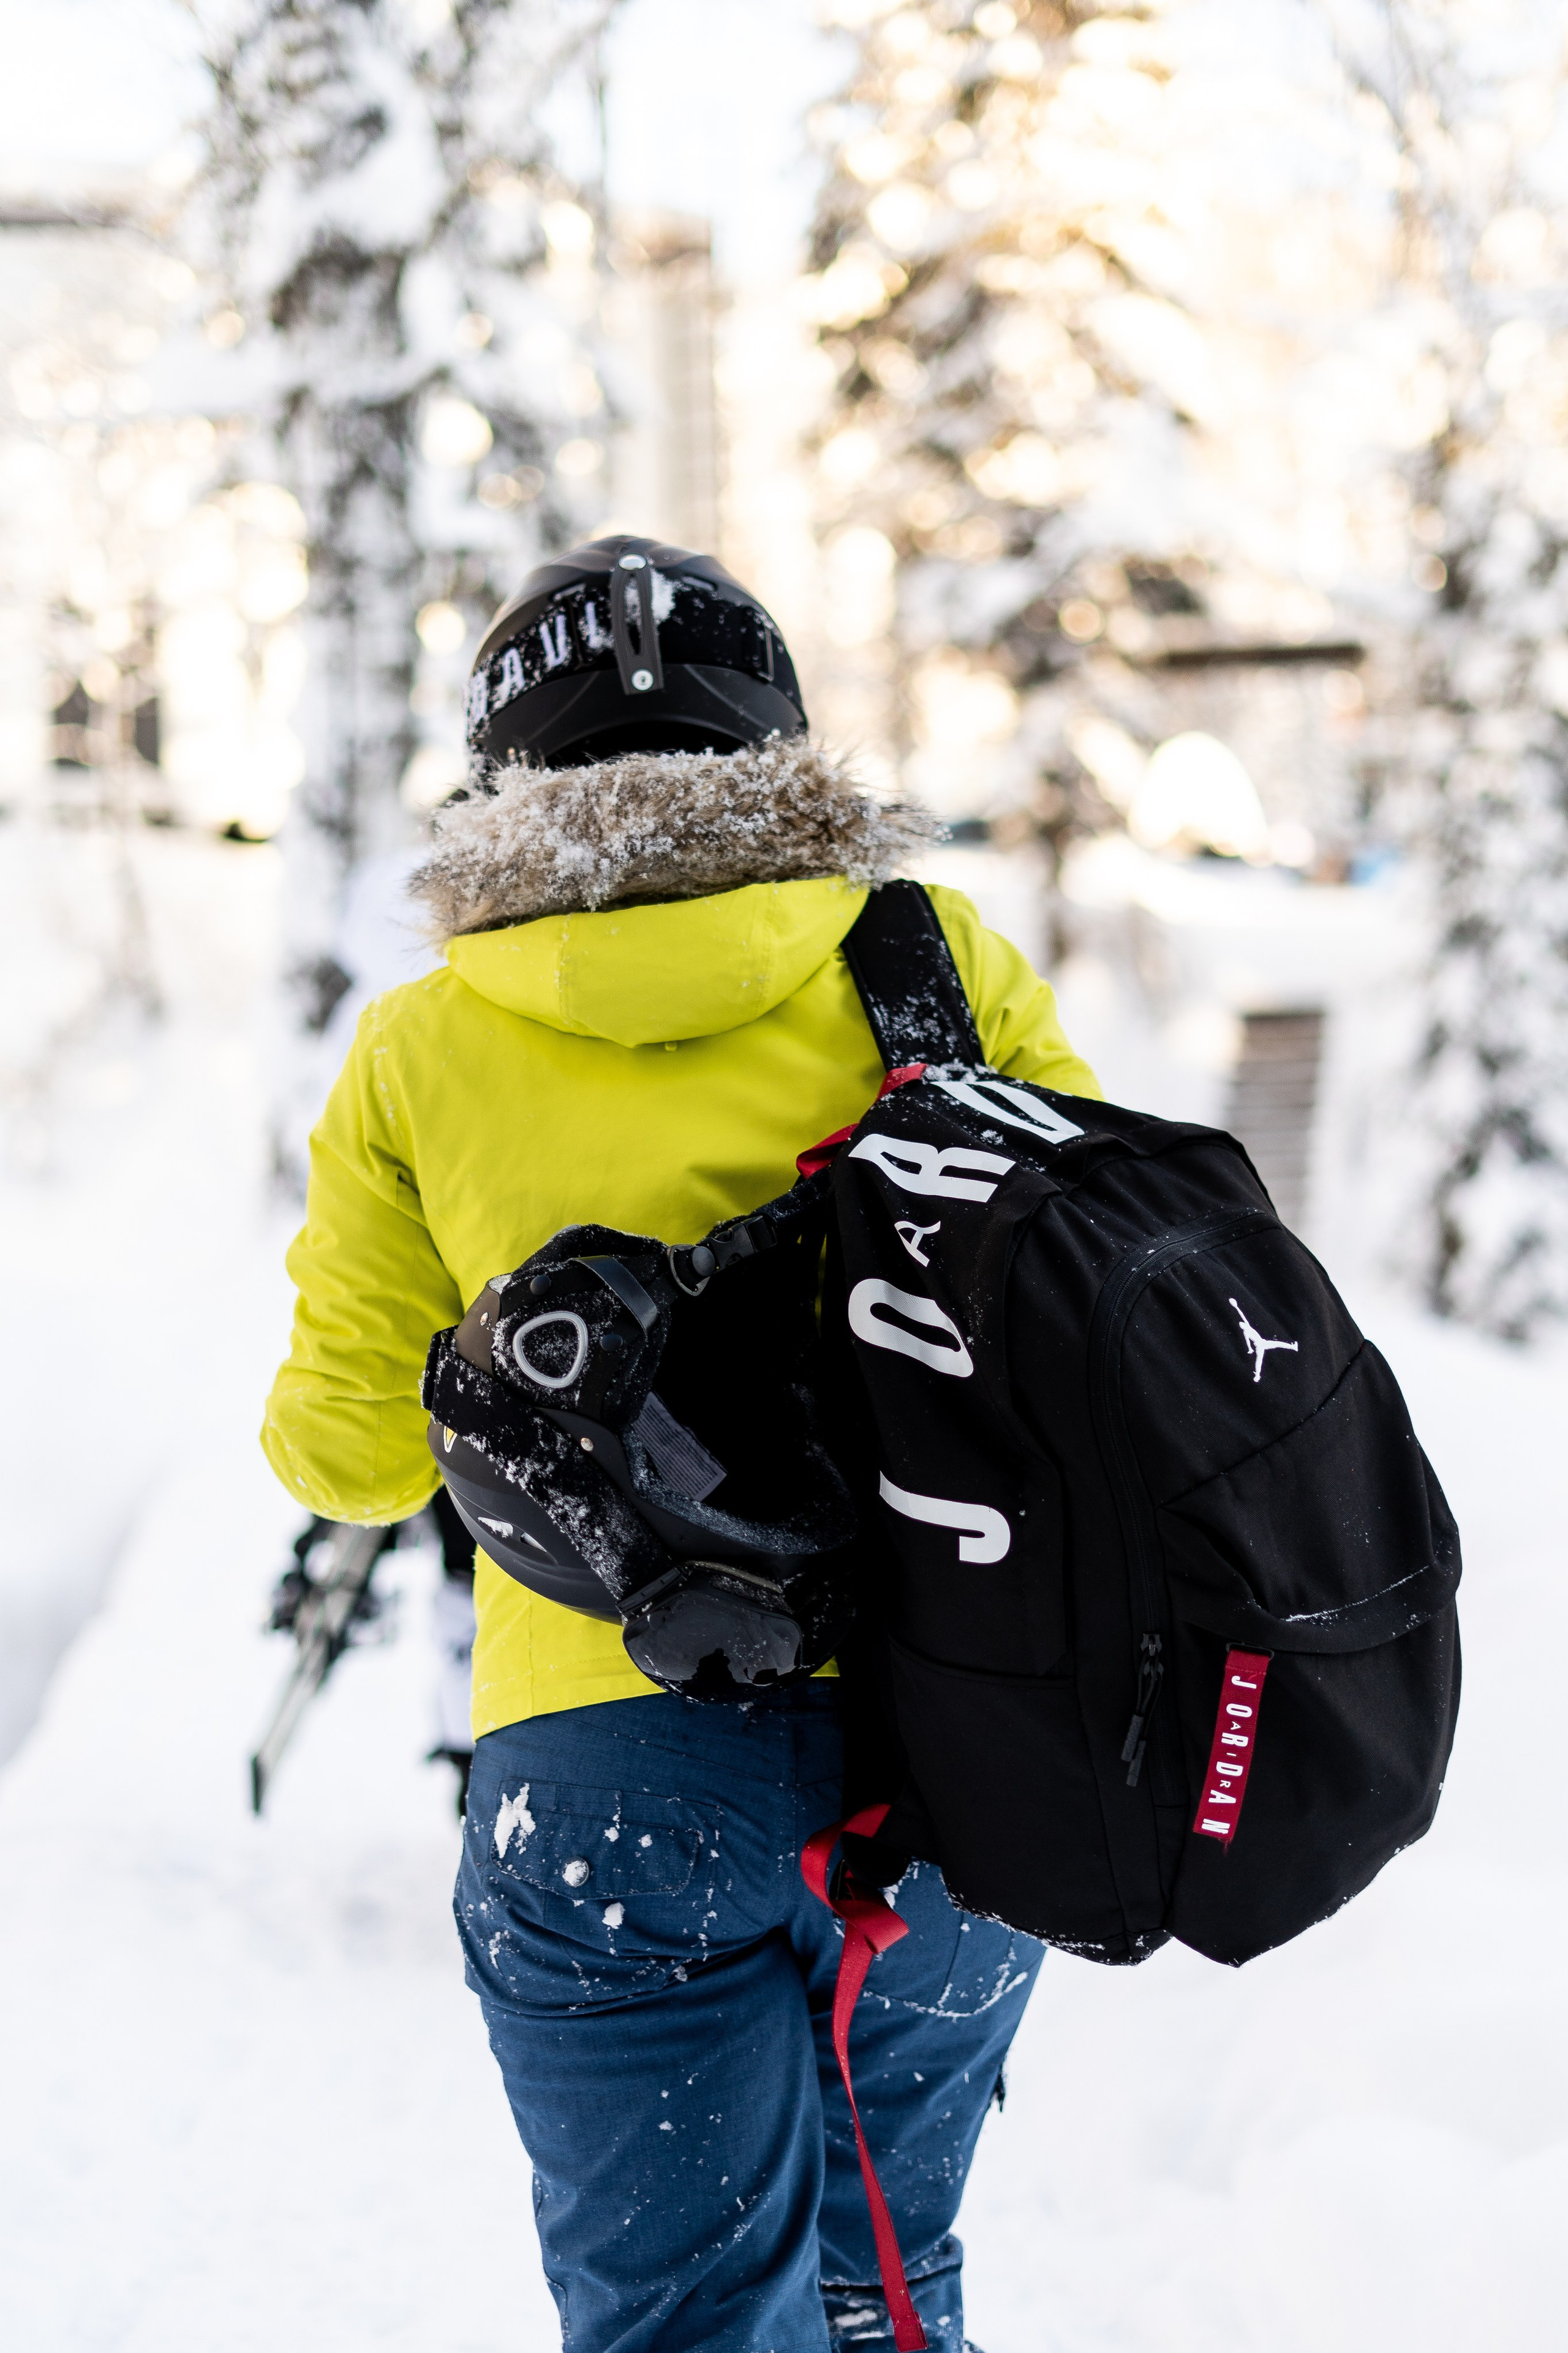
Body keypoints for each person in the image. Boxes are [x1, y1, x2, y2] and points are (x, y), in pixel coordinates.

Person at [262, 535, 1102, 2353]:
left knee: (685, 2323)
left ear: (507, 774)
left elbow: (340, 1457)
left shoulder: (418, 1044)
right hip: (961, 1752)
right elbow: (1112, 1317)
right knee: (894, 2280)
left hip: (606, 1776)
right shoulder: (929, 959)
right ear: (777, 742)